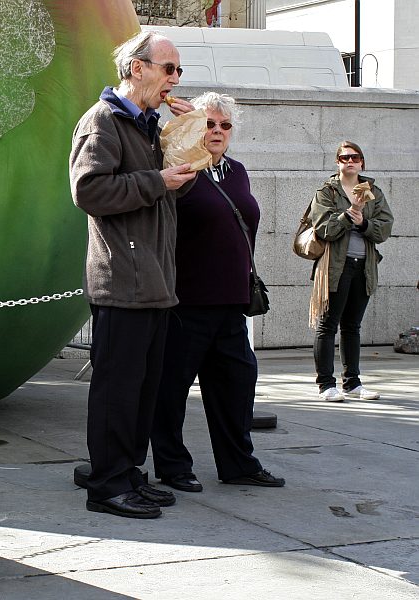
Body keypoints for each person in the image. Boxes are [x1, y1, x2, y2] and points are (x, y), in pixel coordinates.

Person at [69, 31, 197, 519]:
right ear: (136, 68)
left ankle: (126, 473)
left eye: (178, 71)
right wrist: (157, 180)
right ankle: (106, 485)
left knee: (144, 390)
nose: (174, 79)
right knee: (117, 391)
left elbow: (172, 192)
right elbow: (90, 191)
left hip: (155, 280)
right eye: (168, 68)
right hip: (122, 280)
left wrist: (188, 140)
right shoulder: (104, 120)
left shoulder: (149, 126)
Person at [149, 92, 285, 493]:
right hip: (185, 300)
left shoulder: (237, 171)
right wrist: (184, 128)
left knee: (237, 383)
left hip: (231, 301)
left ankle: (238, 463)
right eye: (209, 124)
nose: (217, 132)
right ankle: (174, 467)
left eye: (224, 126)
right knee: (171, 388)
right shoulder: (181, 167)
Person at [310, 142, 393, 402]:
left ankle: (353, 383)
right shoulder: (327, 191)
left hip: (364, 266)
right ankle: (326, 384)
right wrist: (351, 214)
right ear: (337, 162)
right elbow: (323, 228)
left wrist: (365, 222)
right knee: (327, 325)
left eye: (355, 157)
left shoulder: (374, 192)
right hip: (335, 266)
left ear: (362, 162)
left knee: (352, 326)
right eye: (344, 157)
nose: (350, 161)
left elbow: (384, 228)